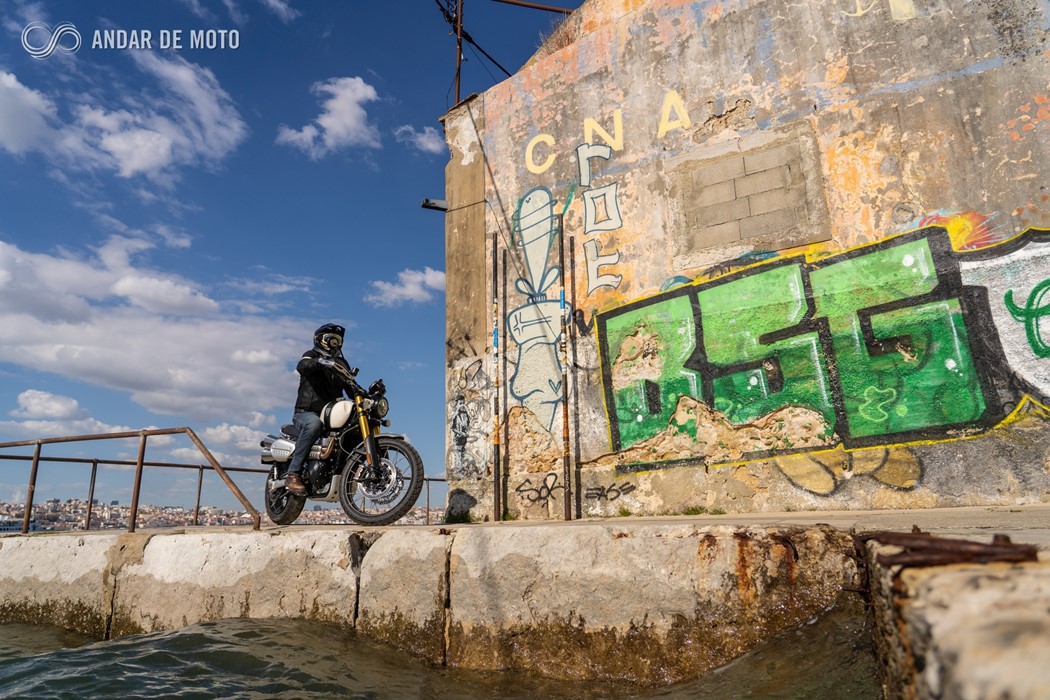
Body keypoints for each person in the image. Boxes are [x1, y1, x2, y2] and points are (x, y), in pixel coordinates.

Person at [284, 323, 353, 494]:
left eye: (338, 340)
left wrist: (366, 396)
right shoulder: (311, 355)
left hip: (330, 414)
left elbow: (350, 387)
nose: (334, 342)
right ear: (319, 340)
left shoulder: (341, 363)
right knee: (314, 424)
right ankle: (293, 474)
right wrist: (320, 362)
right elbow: (302, 366)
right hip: (306, 412)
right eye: (330, 338)